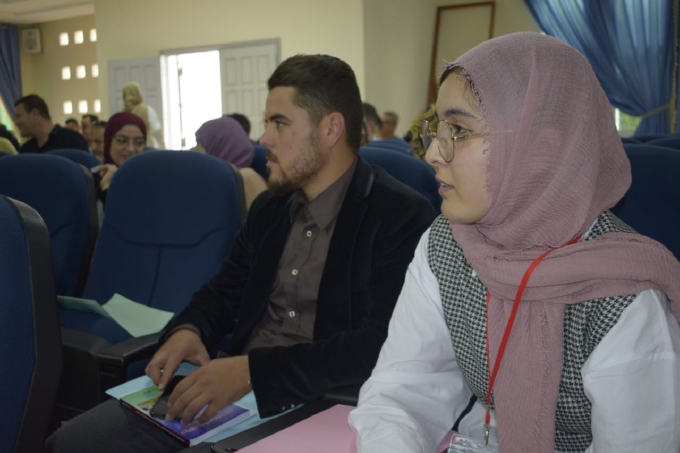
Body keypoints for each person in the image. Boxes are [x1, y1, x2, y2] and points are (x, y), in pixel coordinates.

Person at [46, 53, 435, 453]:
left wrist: (251, 373)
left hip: (322, 405)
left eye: (279, 123)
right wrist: (189, 330)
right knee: (70, 444)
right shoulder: (271, 208)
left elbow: (376, 346)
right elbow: (223, 291)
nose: (264, 138)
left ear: (331, 129)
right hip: (232, 397)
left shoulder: (399, 216)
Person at [350, 33, 680, 453]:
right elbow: (402, 391)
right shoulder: (447, 243)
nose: (432, 153)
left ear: (540, 150)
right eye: (438, 129)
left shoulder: (625, 297)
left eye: (459, 130)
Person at [195, 115, 266, 209]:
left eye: (199, 143)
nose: (195, 149)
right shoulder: (221, 177)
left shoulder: (246, 178)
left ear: (219, 145)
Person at [96, 112, 146, 203]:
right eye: (122, 140)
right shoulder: (90, 181)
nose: (131, 149)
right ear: (108, 143)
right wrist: (107, 186)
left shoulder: (152, 179)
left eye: (139, 142)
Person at [14, 94, 89, 153]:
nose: (16, 123)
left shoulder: (73, 141)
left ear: (35, 114)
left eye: (18, 116)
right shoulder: (26, 150)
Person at [122, 81, 165, 149]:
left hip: (127, 151)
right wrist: (163, 148)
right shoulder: (147, 110)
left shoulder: (121, 115)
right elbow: (157, 132)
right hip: (146, 150)